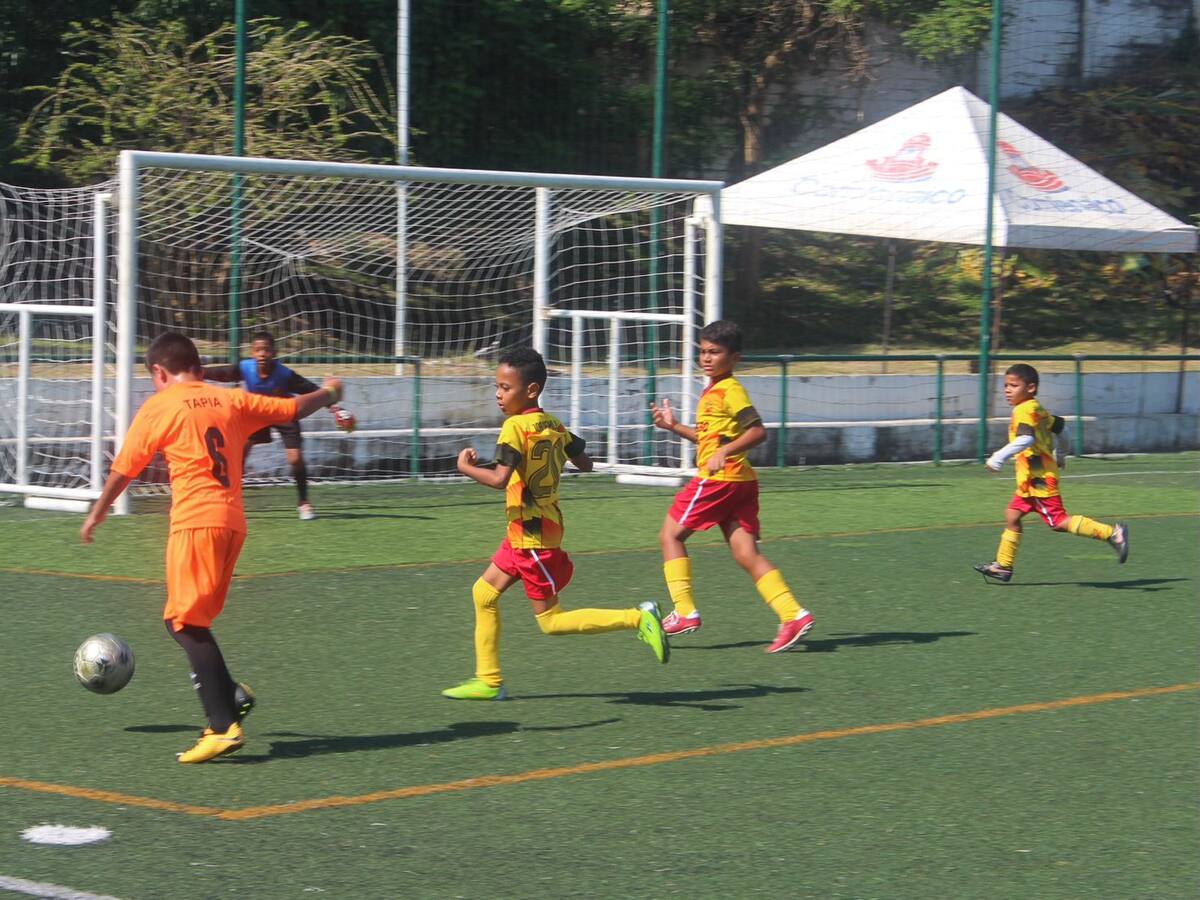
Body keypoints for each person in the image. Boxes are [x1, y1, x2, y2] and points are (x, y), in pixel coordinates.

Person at [81, 332, 344, 763]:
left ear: (159, 373)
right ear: (201, 369)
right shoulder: (231, 399)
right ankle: (232, 696)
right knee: (187, 620)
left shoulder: (159, 406)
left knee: (184, 624)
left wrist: (98, 511)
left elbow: (125, 467)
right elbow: (294, 407)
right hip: (232, 524)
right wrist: (331, 391)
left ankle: (222, 726)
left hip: (195, 523)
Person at [442, 347, 670, 701]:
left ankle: (639, 618)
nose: (499, 395)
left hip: (533, 539)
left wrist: (466, 468)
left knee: (550, 622)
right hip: (525, 533)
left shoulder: (514, 428)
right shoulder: (554, 425)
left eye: (506, 387)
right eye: (497, 387)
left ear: (531, 390)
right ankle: (489, 680)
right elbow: (586, 464)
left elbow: (500, 479)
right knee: (483, 593)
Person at [650, 320, 814, 653]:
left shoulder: (730, 390)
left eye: (715, 352)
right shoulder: (713, 391)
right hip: (740, 483)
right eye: (703, 351)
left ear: (734, 357)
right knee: (746, 553)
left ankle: (684, 611)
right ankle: (792, 614)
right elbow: (710, 439)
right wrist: (675, 426)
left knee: (670, 535)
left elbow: (757, 432)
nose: (707, 358)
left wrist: (725, 451)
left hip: (719, 481)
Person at [974, 363, 1128, 583]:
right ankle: (1003, 566)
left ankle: (1113, 534)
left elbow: (1026, 439)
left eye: (1013, 385)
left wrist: (998, 457)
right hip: (1031, 479)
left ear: (1031, 388)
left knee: (1058, 522)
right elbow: (1063, 430)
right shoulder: (1039, 410)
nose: (1007, 390)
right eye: (1006, 385)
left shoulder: (1024, 409)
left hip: (1038, 479)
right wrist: (1061, 455)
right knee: (1012, 515)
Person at [203, 331, 355, 521]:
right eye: (258, 350)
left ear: (274, 353)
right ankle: (232, 499)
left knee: (295, 459)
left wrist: (334, 408)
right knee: (239, 453)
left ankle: (304, 503)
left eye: (266, 350)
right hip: (256, 413)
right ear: (252, 352)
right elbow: (223, 373)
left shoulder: (284, 374)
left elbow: (310, 390)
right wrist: (199, 372)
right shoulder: (245, 368)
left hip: (284, 413)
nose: (262, 354)